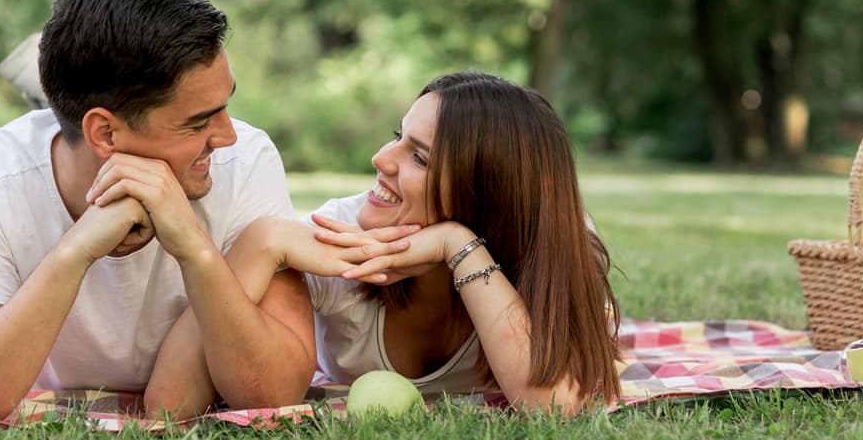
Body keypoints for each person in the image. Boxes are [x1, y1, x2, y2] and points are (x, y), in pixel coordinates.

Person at [0, 0, 316, 420]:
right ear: (105, 133)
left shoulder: (245, 162)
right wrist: (76, 250)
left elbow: (276, 392)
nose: (227, 136)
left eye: (225, 107)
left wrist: (194, 248)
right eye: (198, 122)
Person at [216, 70, 622, 414]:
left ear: (486, 195)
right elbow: (222, 372)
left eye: (420, 158)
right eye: (398, 135)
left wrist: (456, 245)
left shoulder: (555, 242)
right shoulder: (334, 238)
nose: (380, 158)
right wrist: (262, 241)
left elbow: (553, 404)